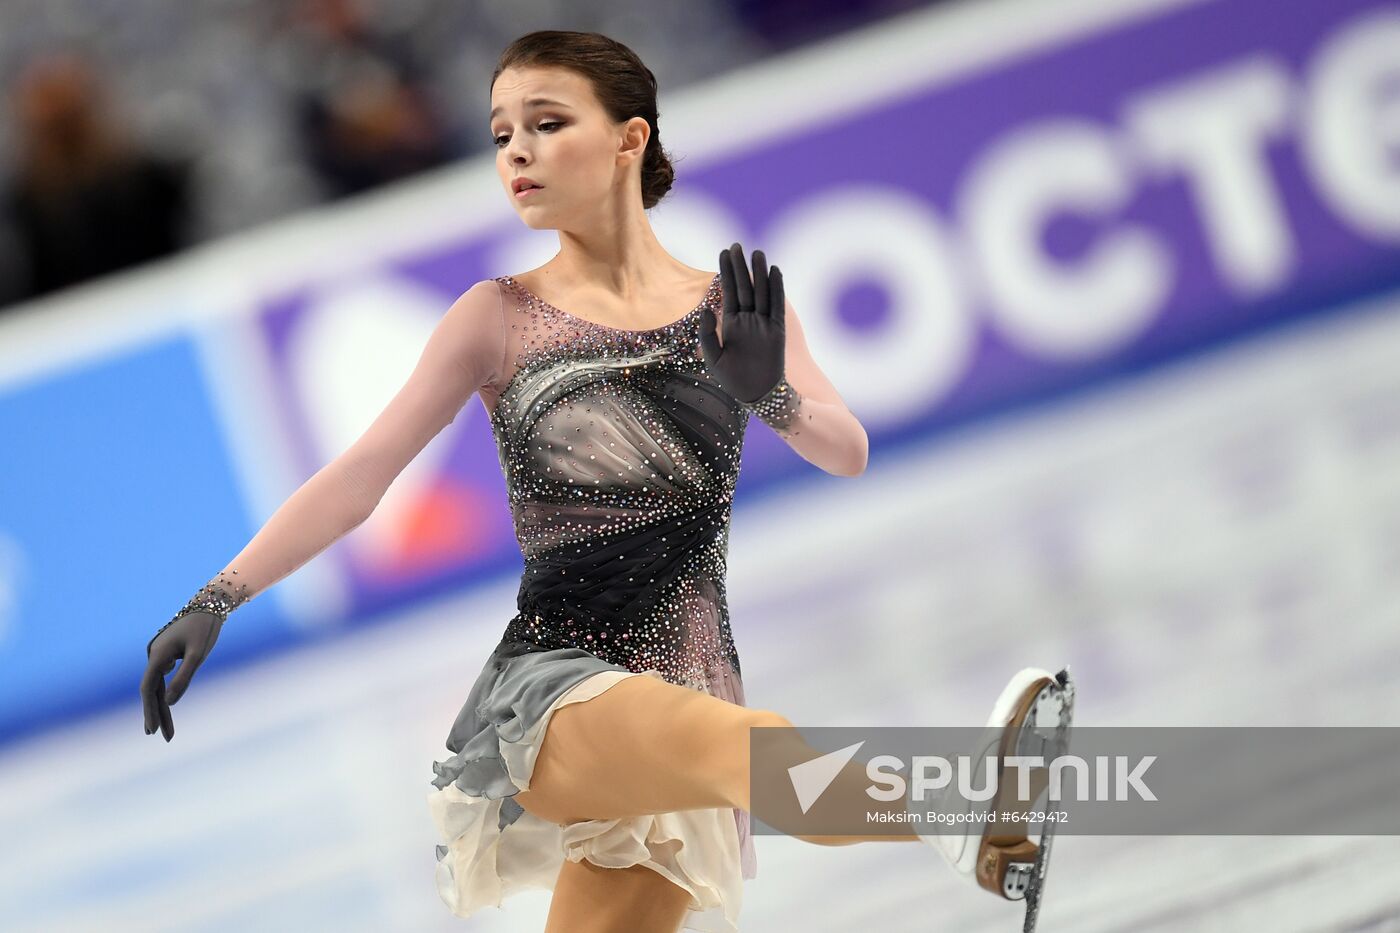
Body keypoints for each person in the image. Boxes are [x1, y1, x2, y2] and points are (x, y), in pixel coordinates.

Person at [141, 30, 1072, 933]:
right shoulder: (493, 317)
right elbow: (360, 475)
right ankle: (962, 820)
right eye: (502, 133)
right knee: (747, 743)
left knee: (724, 748)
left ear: (630, 138)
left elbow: (847, 448)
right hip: (557, 688)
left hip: (689, 673)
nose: (518, 152)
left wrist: (772, 395)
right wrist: (221, 594)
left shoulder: (730, 310)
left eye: (547, 123)